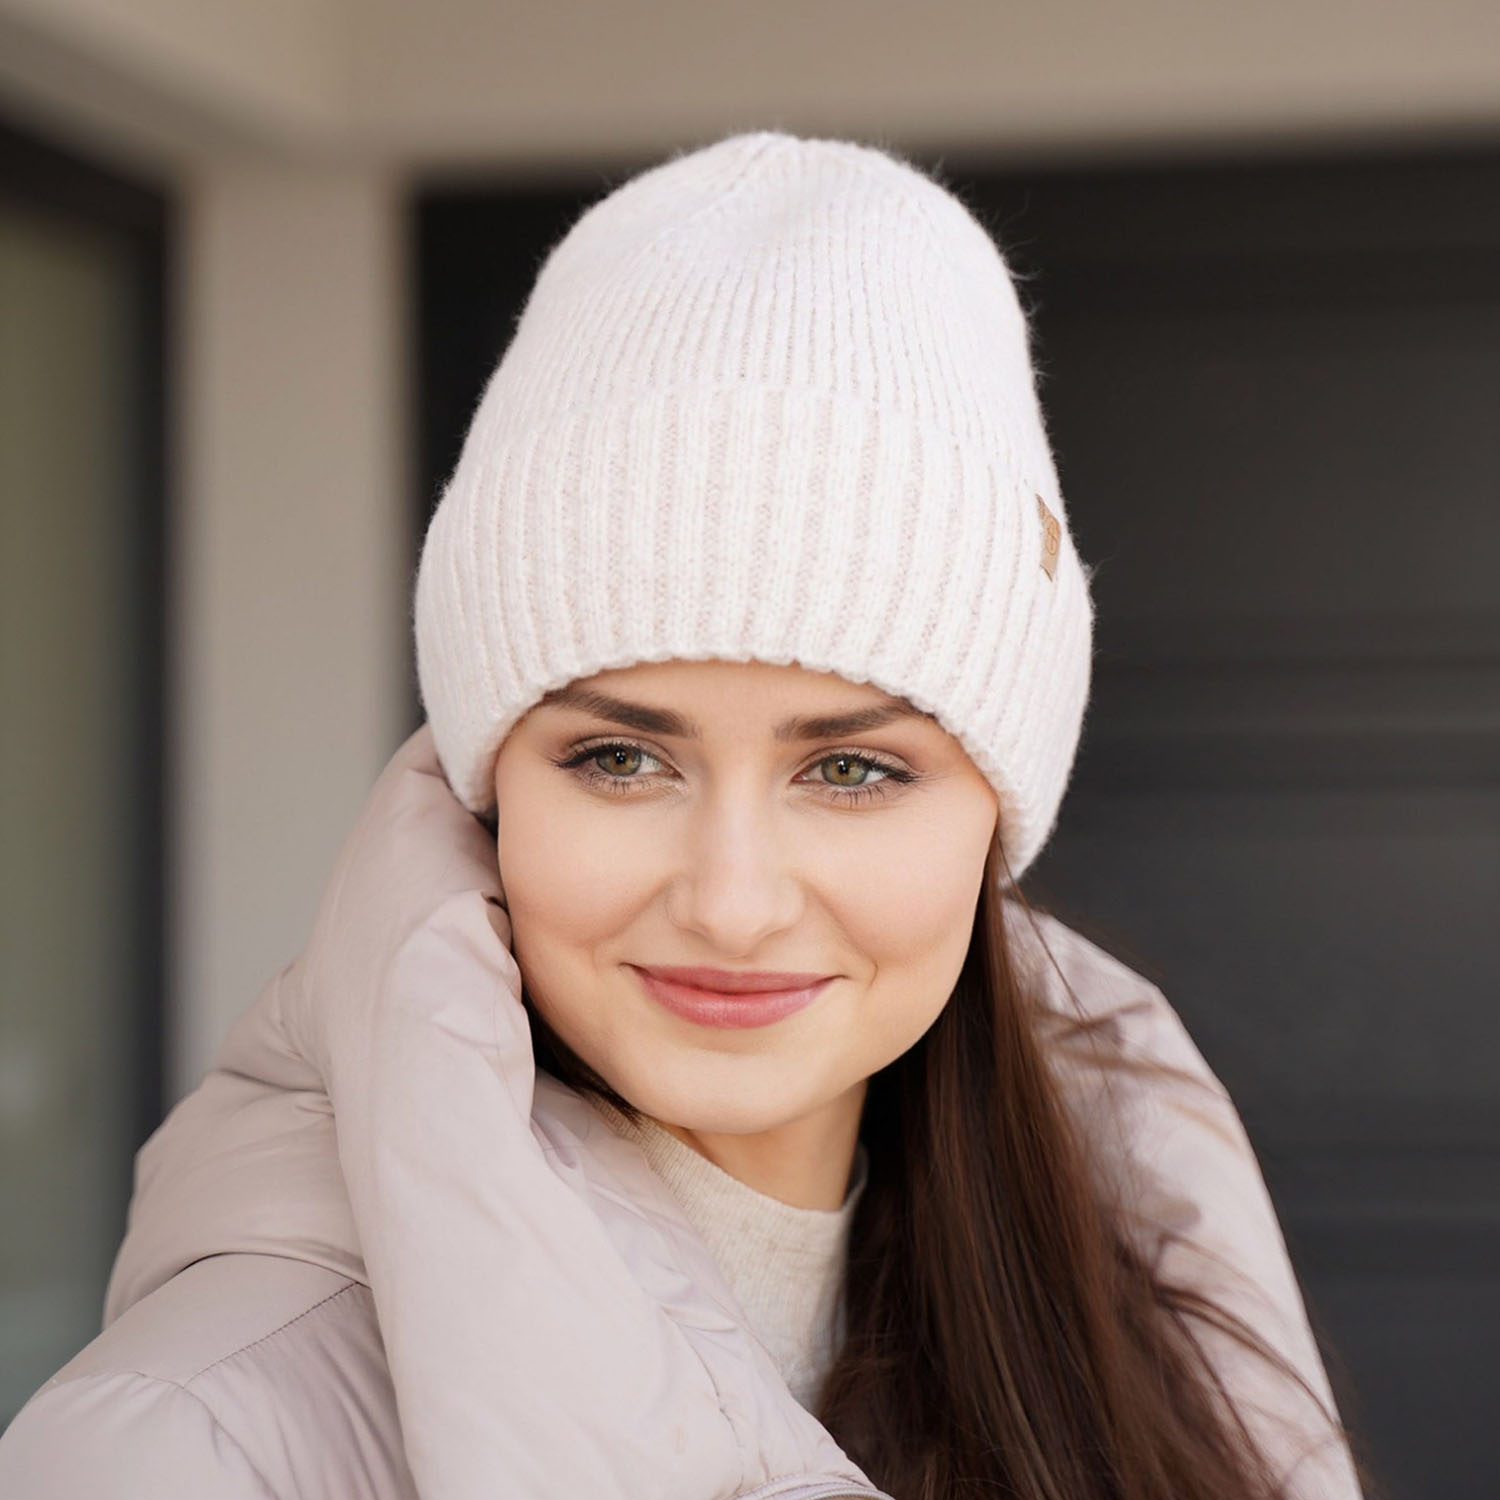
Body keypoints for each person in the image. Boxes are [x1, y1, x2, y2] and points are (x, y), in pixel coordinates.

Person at [0, 130, 1372, 1500]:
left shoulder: (1145, 1330)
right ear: (487, 794)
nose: (729, 897)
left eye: (851, 771)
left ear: (998, 821)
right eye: (617, 759)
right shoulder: (180, 1450)